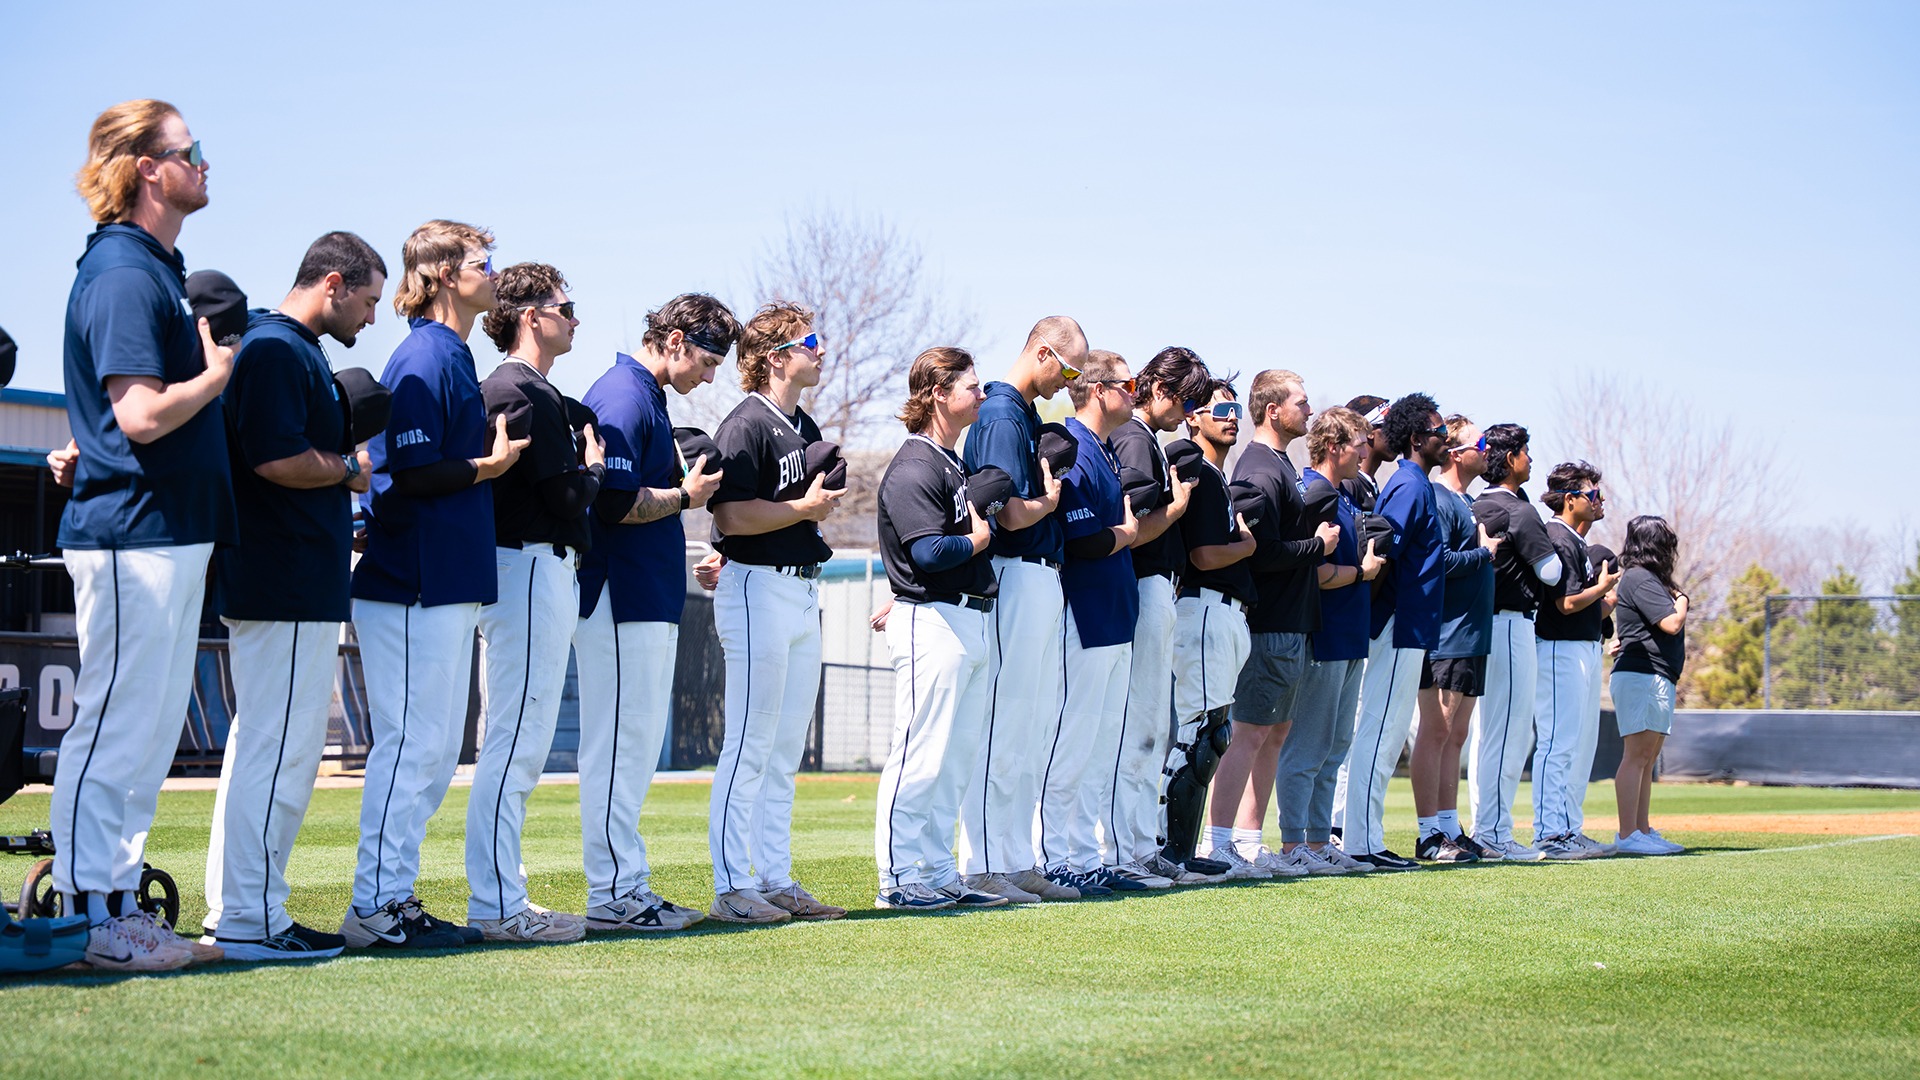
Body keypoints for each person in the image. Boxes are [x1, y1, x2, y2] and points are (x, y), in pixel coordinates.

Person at [54, 99, 235, 970]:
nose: (206, 162)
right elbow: (139, 416)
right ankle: (87, 913)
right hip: (132, 532)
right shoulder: (126, 269)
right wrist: (217, 376)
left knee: (150, 725)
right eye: (190, 150)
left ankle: (118, 903)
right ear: (147, 168)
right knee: (117, 723)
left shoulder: (158, 266)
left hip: (165, 532)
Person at [202, 231, 384, 961]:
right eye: (368, 300)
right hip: (280, 579)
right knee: (275, 753)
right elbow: (275, 459)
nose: (372, 317)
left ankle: (249, 909)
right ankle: (249, 918)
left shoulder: (294, 348)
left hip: (294, 580)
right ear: (333, 283)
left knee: (271, 749)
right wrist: (347, 468)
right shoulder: (277, 348)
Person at [344, 220, 523, 949]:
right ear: (446, 273)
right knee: (411, 747)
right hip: (410, 580)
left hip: (442, 581)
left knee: (431, 749)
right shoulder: (424, 355)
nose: (495, 272)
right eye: (485, 261)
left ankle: (395, 896)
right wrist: (489, 467)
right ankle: (373, 907)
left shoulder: (452, 352)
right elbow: (408, 474)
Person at [575, 294, 739, 931]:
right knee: (621, 744)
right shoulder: (624, 393)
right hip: (621, 594)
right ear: (673, 340)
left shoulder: (645, 394)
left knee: (633, 745)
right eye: (706, 357)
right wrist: (685, 495)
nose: (711, 373)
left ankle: (624, 887)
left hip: (641, 594)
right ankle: (615, 893)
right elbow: (611, 503)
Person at [464, 264, 602, 943]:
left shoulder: (531, 389)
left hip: (533, 566)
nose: (575, 316)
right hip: (525, 565)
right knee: (514, 743)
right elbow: (566, 499)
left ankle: (501, 893)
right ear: (530, 315)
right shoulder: (520, 389)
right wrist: (596, 468)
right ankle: (495, 905)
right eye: (564, 305)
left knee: (516, 739)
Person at [705, 302, 848, 924]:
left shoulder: (804, 426)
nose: (819, 350)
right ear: (774, 356)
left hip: (800, 587)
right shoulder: (746, 425)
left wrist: (809, 510)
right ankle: (735, 886)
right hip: (756, 587)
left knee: (786, 745)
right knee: (749, 742)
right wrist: (801, 511)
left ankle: (775, 877)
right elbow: (730, 517)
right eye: (807, 341)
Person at [869, 348, 1009, 911]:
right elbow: (928, 552)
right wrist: (979, 539)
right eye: (970, 387)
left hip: (966, 615)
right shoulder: (915, 465)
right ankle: (899, 878)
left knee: (953, 760)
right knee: (919, 755)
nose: (980, 395)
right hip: (932, 617)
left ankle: (935, 870)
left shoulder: (950, 461)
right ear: (936, 393)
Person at [958, 317, 1085, 904]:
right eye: (1070, 367)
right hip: (1014, 572)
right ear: (1043, 352)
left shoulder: (1023, 412)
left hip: (1040, 577)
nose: (1071, 380)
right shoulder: (1002, 413)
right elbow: (1005, 513)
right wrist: (1050, 501)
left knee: (1029, 725)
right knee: (1003, 723)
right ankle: (983, 862)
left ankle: (1013, 857)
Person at [1210, 370, 1337, 877]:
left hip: (1292, 624)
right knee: (1249, 733)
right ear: (1272, 410)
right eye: (1301, 403)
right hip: (1269, 624)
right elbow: (1257, 554)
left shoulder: (1281, 463)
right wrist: (1318, 547)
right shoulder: (1261, 468)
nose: (1308, 410)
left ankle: (1247, 841)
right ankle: (1220, 844)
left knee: (1276, 732)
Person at [1037, 350, 1141, 893]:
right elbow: (1086, 538)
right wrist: (1124, 534)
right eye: (1128, 384)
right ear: (1099, 390)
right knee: (1071, 742)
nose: (1136, 392)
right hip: (1085, 613)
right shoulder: (1072, 447)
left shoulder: (1105, 449)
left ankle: (1084, 854)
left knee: (1100, 748)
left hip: (1115, 616)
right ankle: (1053, 856)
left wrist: (1121, 533)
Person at [1105, 347, 1209, 885]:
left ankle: (1139, 845)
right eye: (1186, 398)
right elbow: (1135, 524)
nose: (1189, 412)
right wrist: (1177, 507)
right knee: (1140, 726)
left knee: (1151, 724)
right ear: (1159, 388)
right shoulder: (1134, 438)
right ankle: (1128, 850)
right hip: (1144, 585)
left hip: (1155, 589)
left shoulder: (1143, 438)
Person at [1272, 407, 1384, 875]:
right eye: (1359, 441)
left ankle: (1319, 842)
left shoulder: (1344, 493)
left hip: (1351, 635)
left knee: (1335, 745)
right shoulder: (1316, 492)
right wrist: (1363, 572)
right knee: (1309, 746)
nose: (1366, 449)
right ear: (1335, 446)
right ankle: (1293, 843)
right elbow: (1313, 571)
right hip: (1325, 634)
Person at [1337, 393, 1446, 871]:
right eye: (1438, 431)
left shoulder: (1414, 482)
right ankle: (1361, 841)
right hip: (1396, 623)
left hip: (1407, 624)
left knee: (1385, 732)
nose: (1444, 438)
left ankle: (1365, 836)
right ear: (1418, 438)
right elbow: (1379, 552)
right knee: (1380, 733)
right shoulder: (1408, 484)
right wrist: (1373, 617)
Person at [1161, 380, 1257, 879]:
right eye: (1219, 408)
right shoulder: (1191, 464)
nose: (1231, 415)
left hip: (1225, 613)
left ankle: (1181, 848)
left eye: (1234, 407)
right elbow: (1202, 556)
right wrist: (1246, 546)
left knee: (1211, 733)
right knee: (1200, 733)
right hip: (1202, 609)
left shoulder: (1217, 476)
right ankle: (1171, 850)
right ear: (1193, 415)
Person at [1467, 424, 1563, 862]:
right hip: (1509, 625)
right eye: (1526, 452)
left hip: (1478, 623)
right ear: (1509, 459)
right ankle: (1494, 833)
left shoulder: (1474, 503)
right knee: (1508, 733)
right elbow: (1551, 573)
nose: (1530, 460)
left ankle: (1486, 827)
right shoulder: (1520, 511)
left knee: (1490, 733)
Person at [1409, 417, 1499, 863]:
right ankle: (1428, 835)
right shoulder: (1441, 498)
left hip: (1473, 636)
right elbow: (1438, 560)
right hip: (1446, 635)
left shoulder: (1467, 502)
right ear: (1456, 453)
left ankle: (1448, 826)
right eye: (1480, 443)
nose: (1488, 450)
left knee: (1456, 735)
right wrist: (1484, 553)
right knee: (1437, 731)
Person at [1532, 461, 1623, 859]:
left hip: (1581, 646)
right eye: (1592, 494)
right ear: (1570, 500)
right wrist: (1600, 589)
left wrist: (1603, 603)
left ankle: (1569, 827)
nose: (1598, 500)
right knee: (1558, 741)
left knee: (1579, 745)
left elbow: (1583, 607)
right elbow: (1565, 603)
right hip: (1558, 647)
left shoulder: (1576, 541)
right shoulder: (1558, 537)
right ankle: (1550, 833)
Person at [1609, 516, 1688, 855]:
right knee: (1637, 756)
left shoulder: (1647, 579)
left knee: (1647, 757)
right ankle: (1628, 834)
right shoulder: (1640, 578)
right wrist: (1683, 598)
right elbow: (1671, 622)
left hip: (1654, 675)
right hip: (1642, 675)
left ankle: (1642, 829)